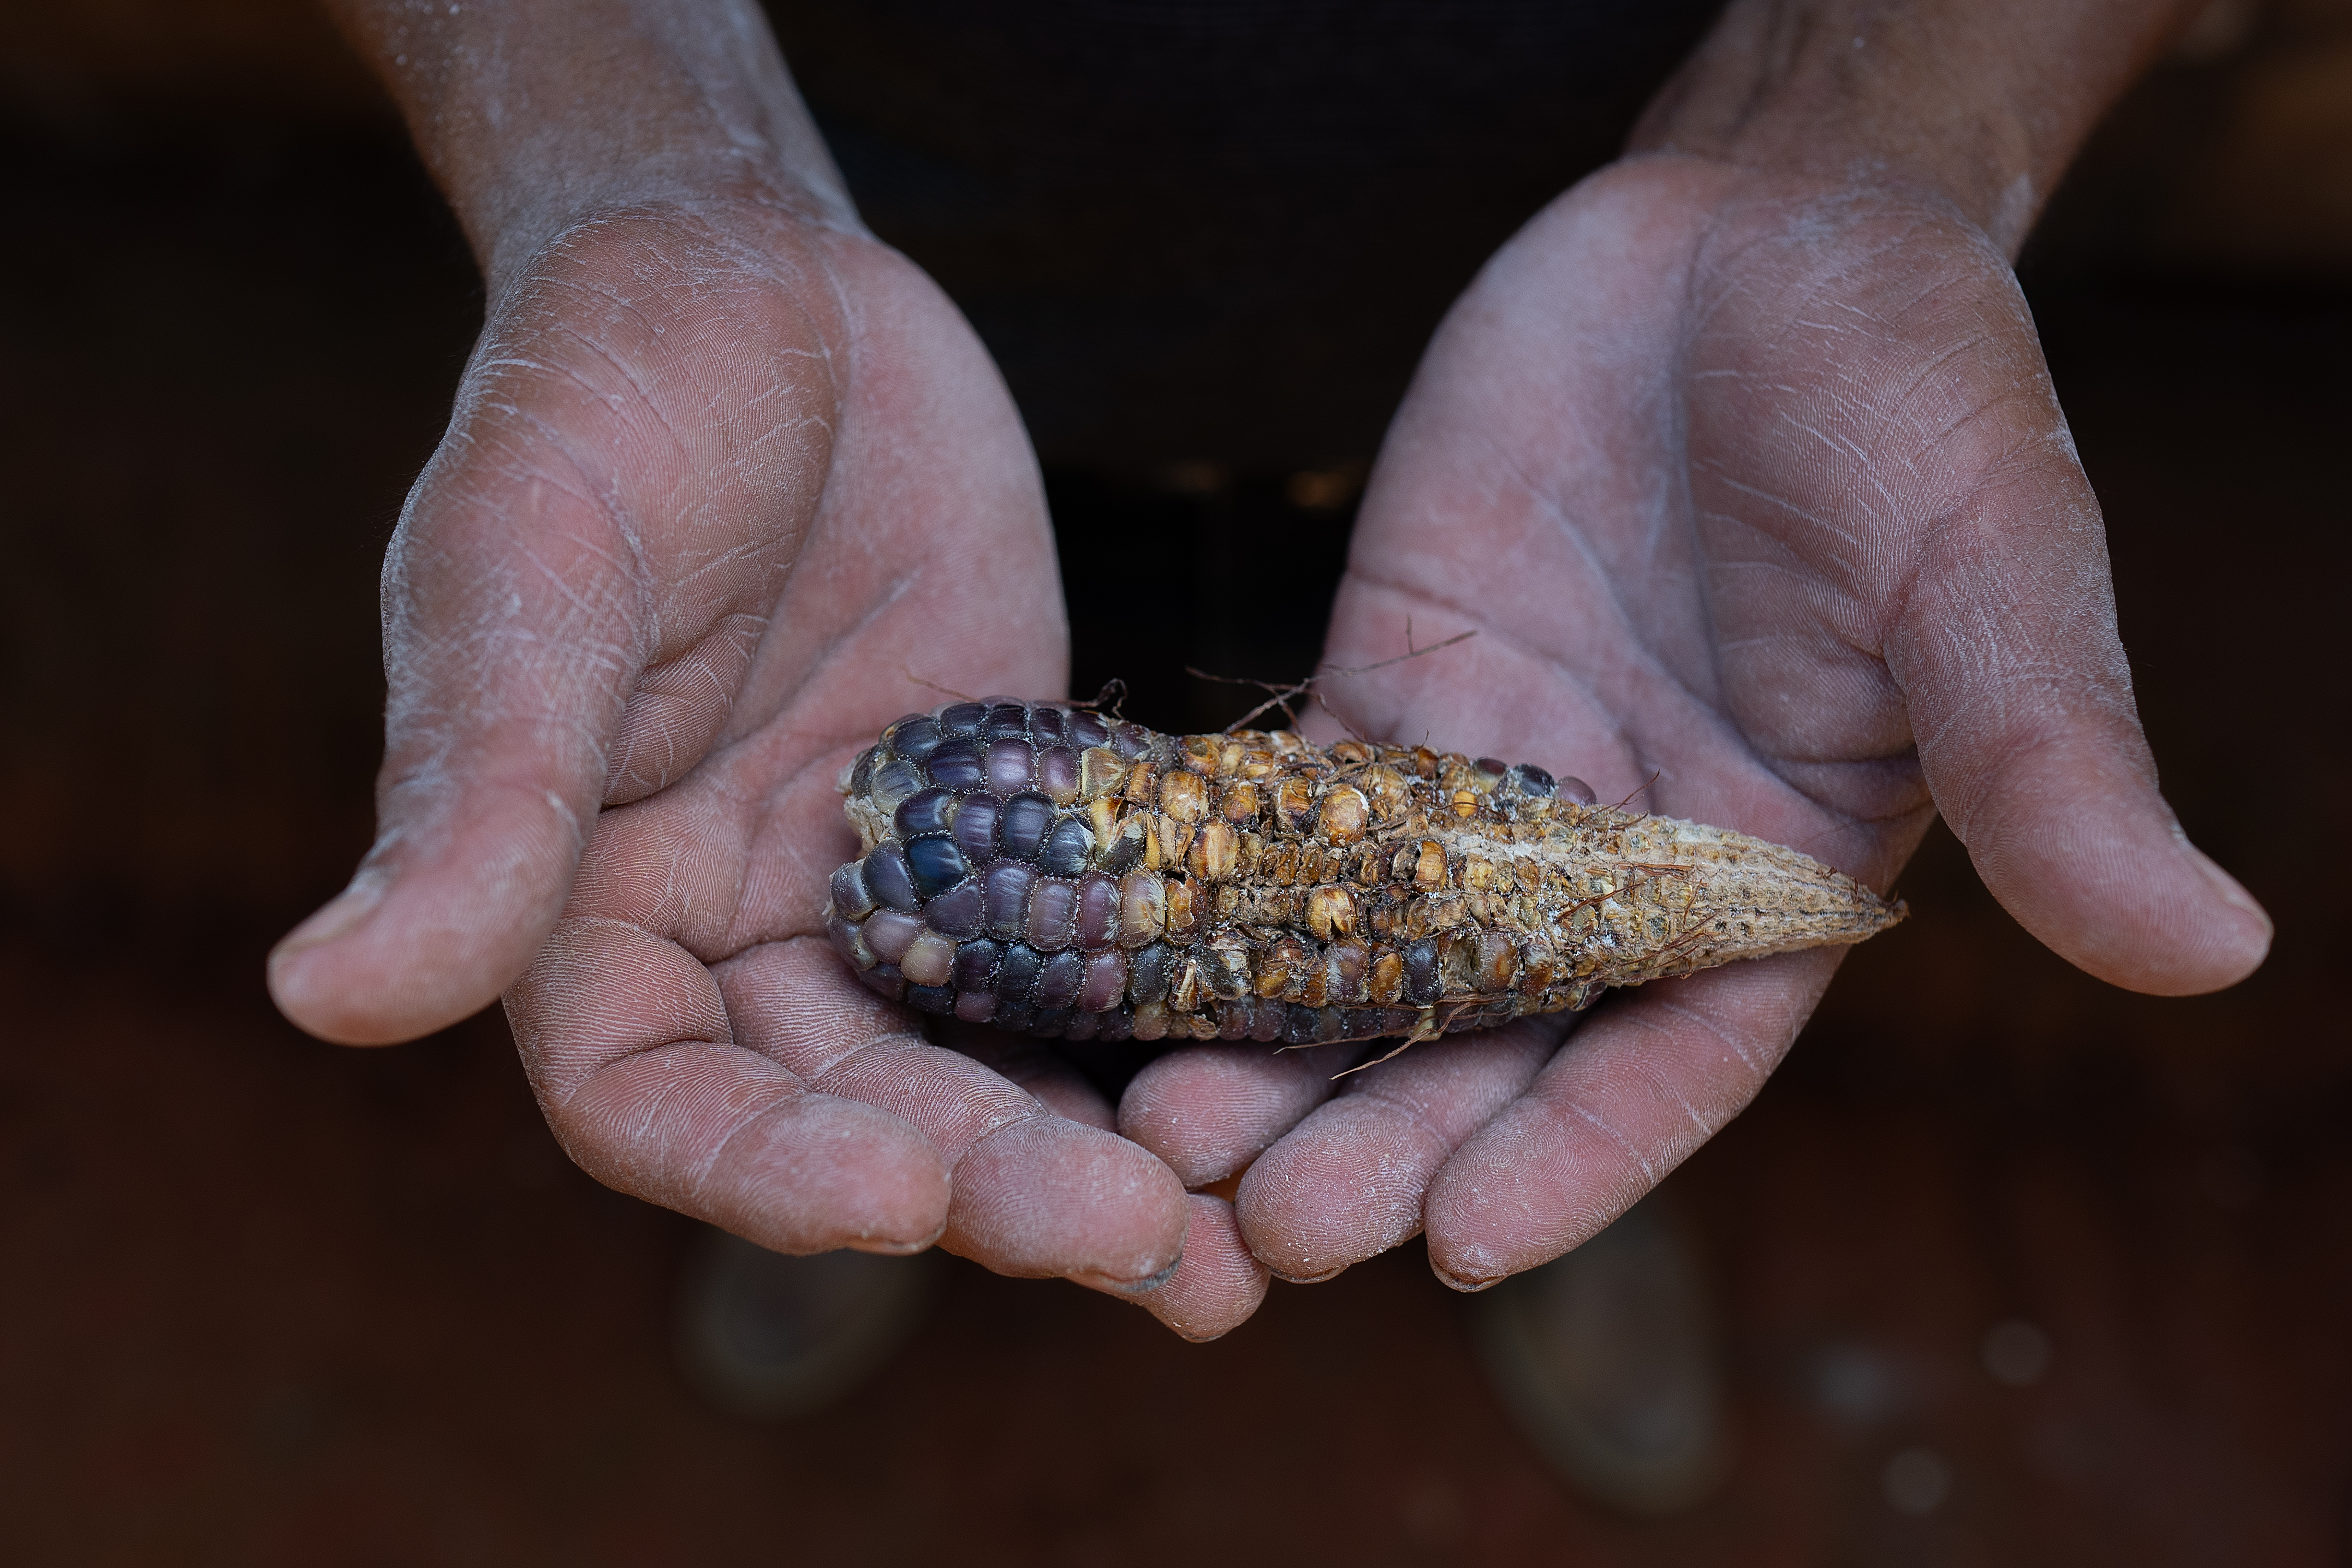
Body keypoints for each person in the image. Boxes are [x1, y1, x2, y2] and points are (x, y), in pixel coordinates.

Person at [269, 0, 2270, 1353]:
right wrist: (641, 142)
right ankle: (884, 1192)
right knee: (1055, 835)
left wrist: (1864, 127)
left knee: (1492, 877)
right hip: (894, 403)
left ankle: (1544, 1166)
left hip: (1615, 453)